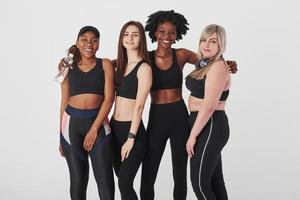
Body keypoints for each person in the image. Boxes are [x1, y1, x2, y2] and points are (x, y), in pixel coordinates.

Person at [140, 10, 237, 200]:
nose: (166, 36)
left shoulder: (182, 54)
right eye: (161, 31)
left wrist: (228, 64)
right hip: (157, 117)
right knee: (148, 174)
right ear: (154, 32)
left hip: (179, 118)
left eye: (172, 32)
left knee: (181, 176)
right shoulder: (146, 58)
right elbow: (123, 62)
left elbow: (204, 61)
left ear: (178, 34)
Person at [59, 26, 115, 200]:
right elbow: (64, 100)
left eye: (94, 40)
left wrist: (94, 129)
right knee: (77, 182)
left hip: (98, 124)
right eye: (84, 39)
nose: (89, 43)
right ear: (77, 42)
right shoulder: (67, 65)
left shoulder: (105, 64)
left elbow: (109, 99)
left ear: (98, 44)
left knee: (105, 181)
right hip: (71, 126)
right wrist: (60, 136)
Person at [186, 24, 231, 200]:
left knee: (199, 183)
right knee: (215, 181)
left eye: (213, 41)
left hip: (210, 124)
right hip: (204, 123)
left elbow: (210, 106)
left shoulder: (218, 66)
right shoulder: (206, 63)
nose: (206, 45)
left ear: (221, 45)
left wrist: (192, 136)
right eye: (204, 40)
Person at [110, 21, 152, 200]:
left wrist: (131, 138)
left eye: (135, 34)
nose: (130, 38)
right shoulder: (118, 65)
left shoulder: (144, 68)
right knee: (121, 179)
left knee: (124, 183)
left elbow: (140, 106)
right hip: (113, 129)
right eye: (126, 34)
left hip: (132, 131)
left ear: (141, 38)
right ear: (121, 38)